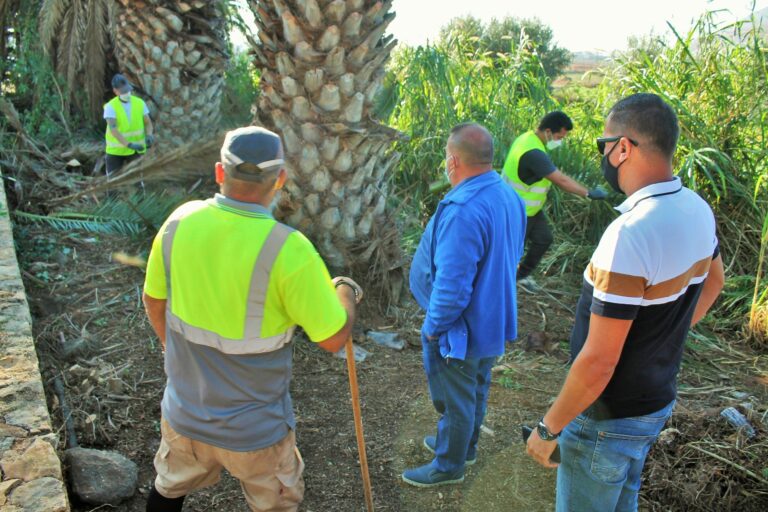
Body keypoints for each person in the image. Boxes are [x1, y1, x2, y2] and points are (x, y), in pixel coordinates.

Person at [141, 126, 364, 512]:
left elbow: (153, 300)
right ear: (280, 179)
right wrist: (345, 291)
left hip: (185, 414)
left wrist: (172, 353)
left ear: (219, 172)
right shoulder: (290, 251)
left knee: (168, 490)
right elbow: (332, 339)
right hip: (257, 434)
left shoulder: (178, 223)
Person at [525, 94, 725, 512]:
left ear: (623, 148)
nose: (603, 155)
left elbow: (599, 361)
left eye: (604, 145)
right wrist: (661, 340)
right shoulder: (698, 209)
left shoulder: (630, 233)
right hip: (654, 402)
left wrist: (548, 429)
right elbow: (714, 282)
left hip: (605, 417)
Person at [405, 123, 526, 487]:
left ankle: (449, 465)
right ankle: (464, 446)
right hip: (492, 318)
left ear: (453, 160)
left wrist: (433, 326)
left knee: (455, 398)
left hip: (462, 328)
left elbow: (453, 286)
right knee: (475, 386)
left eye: (446, 157)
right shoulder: (507, 195)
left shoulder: (463, 210)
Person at [502, 111, 607, 292]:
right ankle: (503, 285)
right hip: (518, 210)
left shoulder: (528, 139)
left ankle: (520, 275)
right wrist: (589, 193)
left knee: (544, 239)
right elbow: (561, 180)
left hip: (530, 208)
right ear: (548, 131)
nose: (560, 141)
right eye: (559, 136)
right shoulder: (533, 152)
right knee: (511, 252)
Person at [104, 73, 155, 175]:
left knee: (138, 180)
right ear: (115, 91)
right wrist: (129, 144)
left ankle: (139, 192)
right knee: (113, 182)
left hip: (136, 151)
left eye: (128, 90)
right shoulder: (110, 107)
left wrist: (149, 135)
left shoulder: (139, 103)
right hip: (116, 151)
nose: (127, 93)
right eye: (123, 91)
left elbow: (148, 123)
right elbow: (113, 129)